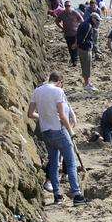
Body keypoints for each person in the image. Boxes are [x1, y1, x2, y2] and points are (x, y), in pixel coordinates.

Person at [28, 72, 82, 205]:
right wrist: (71, 131)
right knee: (70, 163)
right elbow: (63, 116)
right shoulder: (58, 91)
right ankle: (77, 195)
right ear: (59, 81)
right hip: (59, 130)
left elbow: (30, 114)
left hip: (46, 132)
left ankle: (57, 195)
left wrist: (45, 117)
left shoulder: (37, 91)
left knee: (53, 163)